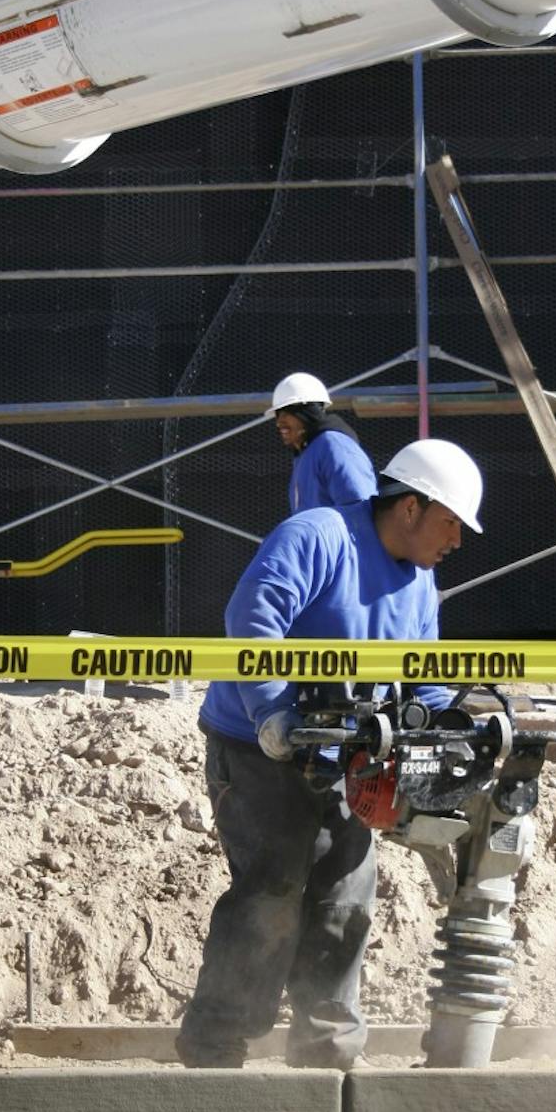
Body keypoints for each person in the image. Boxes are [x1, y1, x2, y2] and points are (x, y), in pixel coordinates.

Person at [175, 437, 484, 1070]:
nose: (456, 539)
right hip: (259, 746)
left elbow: (422, 678)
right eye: (450, 521)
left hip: (352, 752)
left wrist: (447, 740)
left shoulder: (420, 585)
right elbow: (253, 617)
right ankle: (216, 1046)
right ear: (410, 507)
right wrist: (273, 713)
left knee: (347, 893)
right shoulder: (320, 536)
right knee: (272, 890)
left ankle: (327, 1051)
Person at [271, 371, 377, 513]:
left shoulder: (334, 444)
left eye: (286, 412)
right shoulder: (305, 454)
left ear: (307, 412)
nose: (279, 422)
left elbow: (361, 507)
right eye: (278, 414)